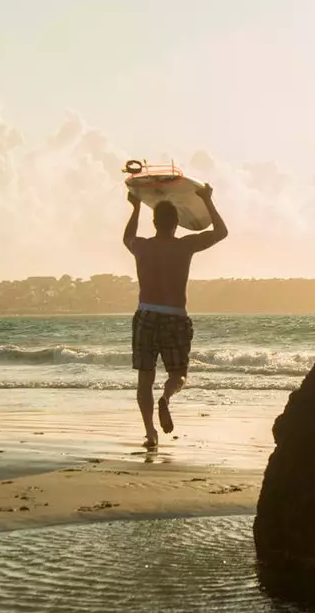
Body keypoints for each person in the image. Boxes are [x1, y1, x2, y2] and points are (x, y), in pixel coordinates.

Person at [122, 183, 227, 450]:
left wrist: (134, 208)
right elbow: (221, 232)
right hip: (175, 318)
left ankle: (150, 434)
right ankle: (166, 398)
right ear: (177, 223)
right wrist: (206, 200)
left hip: (146, 315)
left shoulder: (141, 247)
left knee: (144, 379)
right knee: (178, 374)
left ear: (154, 222)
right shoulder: (186, 246)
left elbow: (127, 238)